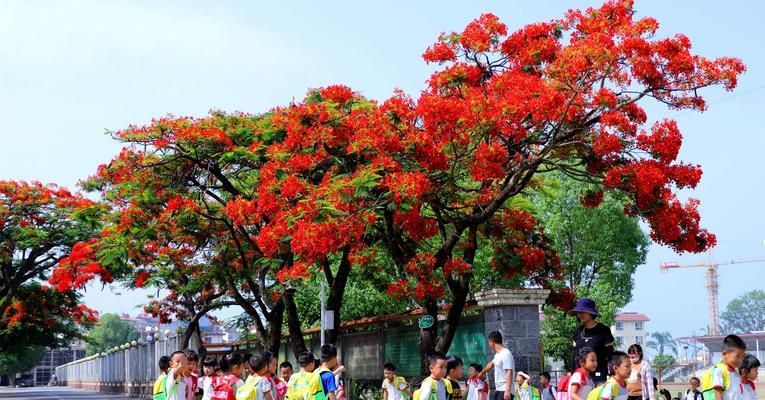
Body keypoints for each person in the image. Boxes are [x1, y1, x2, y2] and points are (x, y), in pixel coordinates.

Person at [570, 299, 614, 385]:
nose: (580, 315)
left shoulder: (604, 330)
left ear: (591, 313)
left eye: (583, 312)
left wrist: (613, 374)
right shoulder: (577, 331)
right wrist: (573, 375)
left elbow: (610, 355)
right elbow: (575, 357)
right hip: (580, 378)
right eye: (578, 312)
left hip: (599, 378)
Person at [700, 334, 746, 400]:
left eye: (742, 357)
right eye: (737, 356)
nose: (740, 360)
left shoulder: (736, 372)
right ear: (724, 354)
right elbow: (717, 391)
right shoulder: (720, 370)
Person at [478, 331, 516, 400]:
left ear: (492, 342)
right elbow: (491, 364)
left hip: (505, 391)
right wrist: (482, 373)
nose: (489, 344)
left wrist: (507, 391)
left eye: (489, 342)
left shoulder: (506, 354)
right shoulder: (498, 355)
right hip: (499, 390)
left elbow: (509, 372)